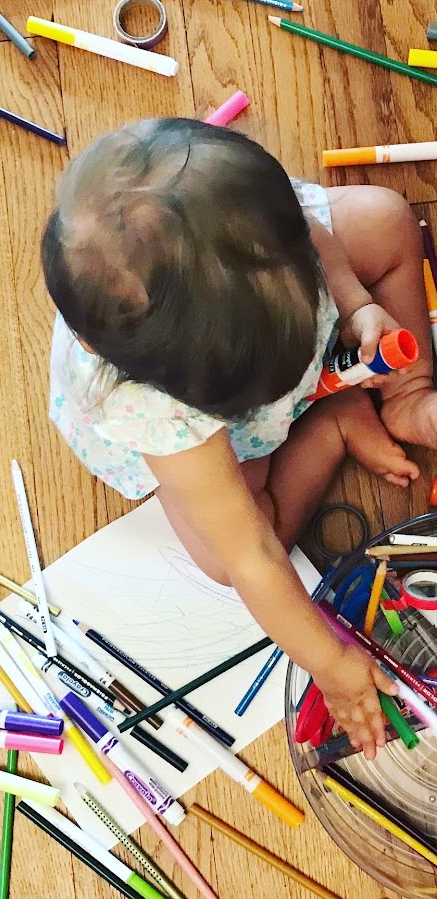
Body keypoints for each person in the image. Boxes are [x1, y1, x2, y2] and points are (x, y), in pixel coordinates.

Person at [42, 118, 437, 758]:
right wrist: (330, 665)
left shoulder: (253, 221)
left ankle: (407, 394)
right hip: (223, 442)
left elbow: (317, 239)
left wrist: (355, 302)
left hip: (303, 346)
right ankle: (332, 425)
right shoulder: (149, 403)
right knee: (231, 556)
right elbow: (251, 555)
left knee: (385, 217)